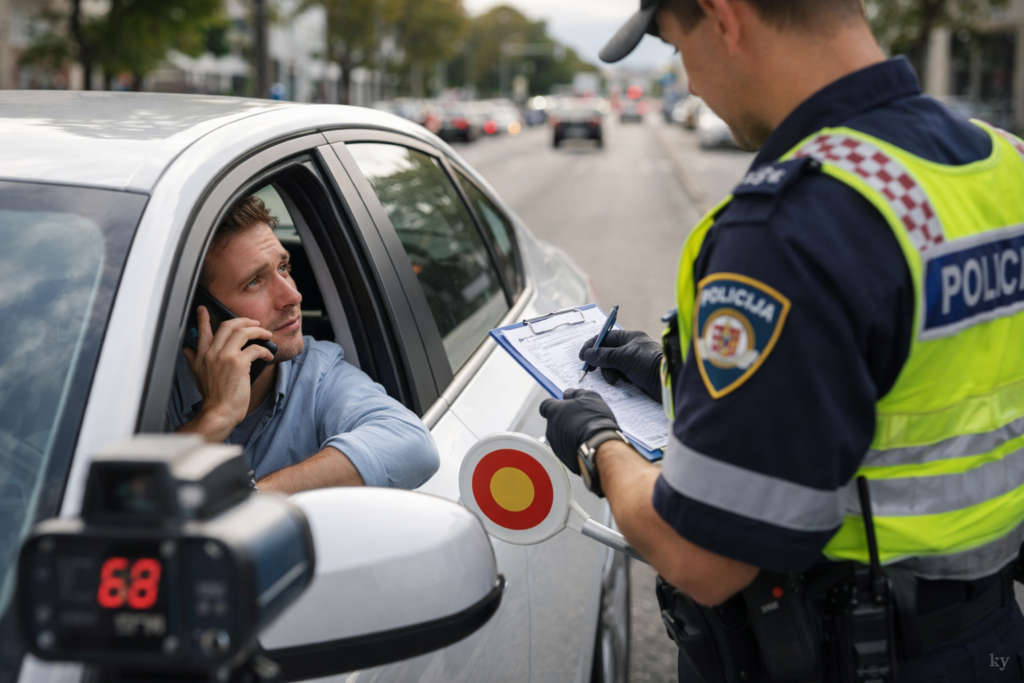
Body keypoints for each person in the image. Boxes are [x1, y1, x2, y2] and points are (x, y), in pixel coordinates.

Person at [539, 0, 1024, 680]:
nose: (694, 86)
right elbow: (919, 368)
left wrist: (598, 444)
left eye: (679, 51)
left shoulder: (793, 225)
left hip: (856, 655)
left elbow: (702, 555)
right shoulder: (999, 165)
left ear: (724, 18)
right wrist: (681, 377)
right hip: (991, 637)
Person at [169, 196, 439, 494]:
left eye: (283, 267)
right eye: (254, 282)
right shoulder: (147, 393)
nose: (293, 297)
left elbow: (412, 446)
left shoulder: (318, 372)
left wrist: (250, 502)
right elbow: (120, 509)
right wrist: (217, 415)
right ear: (200, 311)